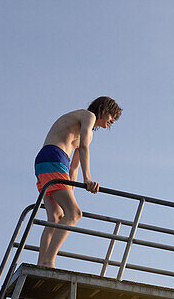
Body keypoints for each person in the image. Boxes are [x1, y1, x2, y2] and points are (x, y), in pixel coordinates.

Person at [34, 96, 123, 267]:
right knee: (74, 214)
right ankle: (48, 261)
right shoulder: (88, 116)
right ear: (103, 110)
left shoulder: (87, 133)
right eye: (112, 116)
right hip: (54, 157)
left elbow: (73, 167)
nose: (112, 121)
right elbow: (83, 148)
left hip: (45, 162)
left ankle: (41, 263)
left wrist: (72, 190)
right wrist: (88, 179)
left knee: (55, 217)